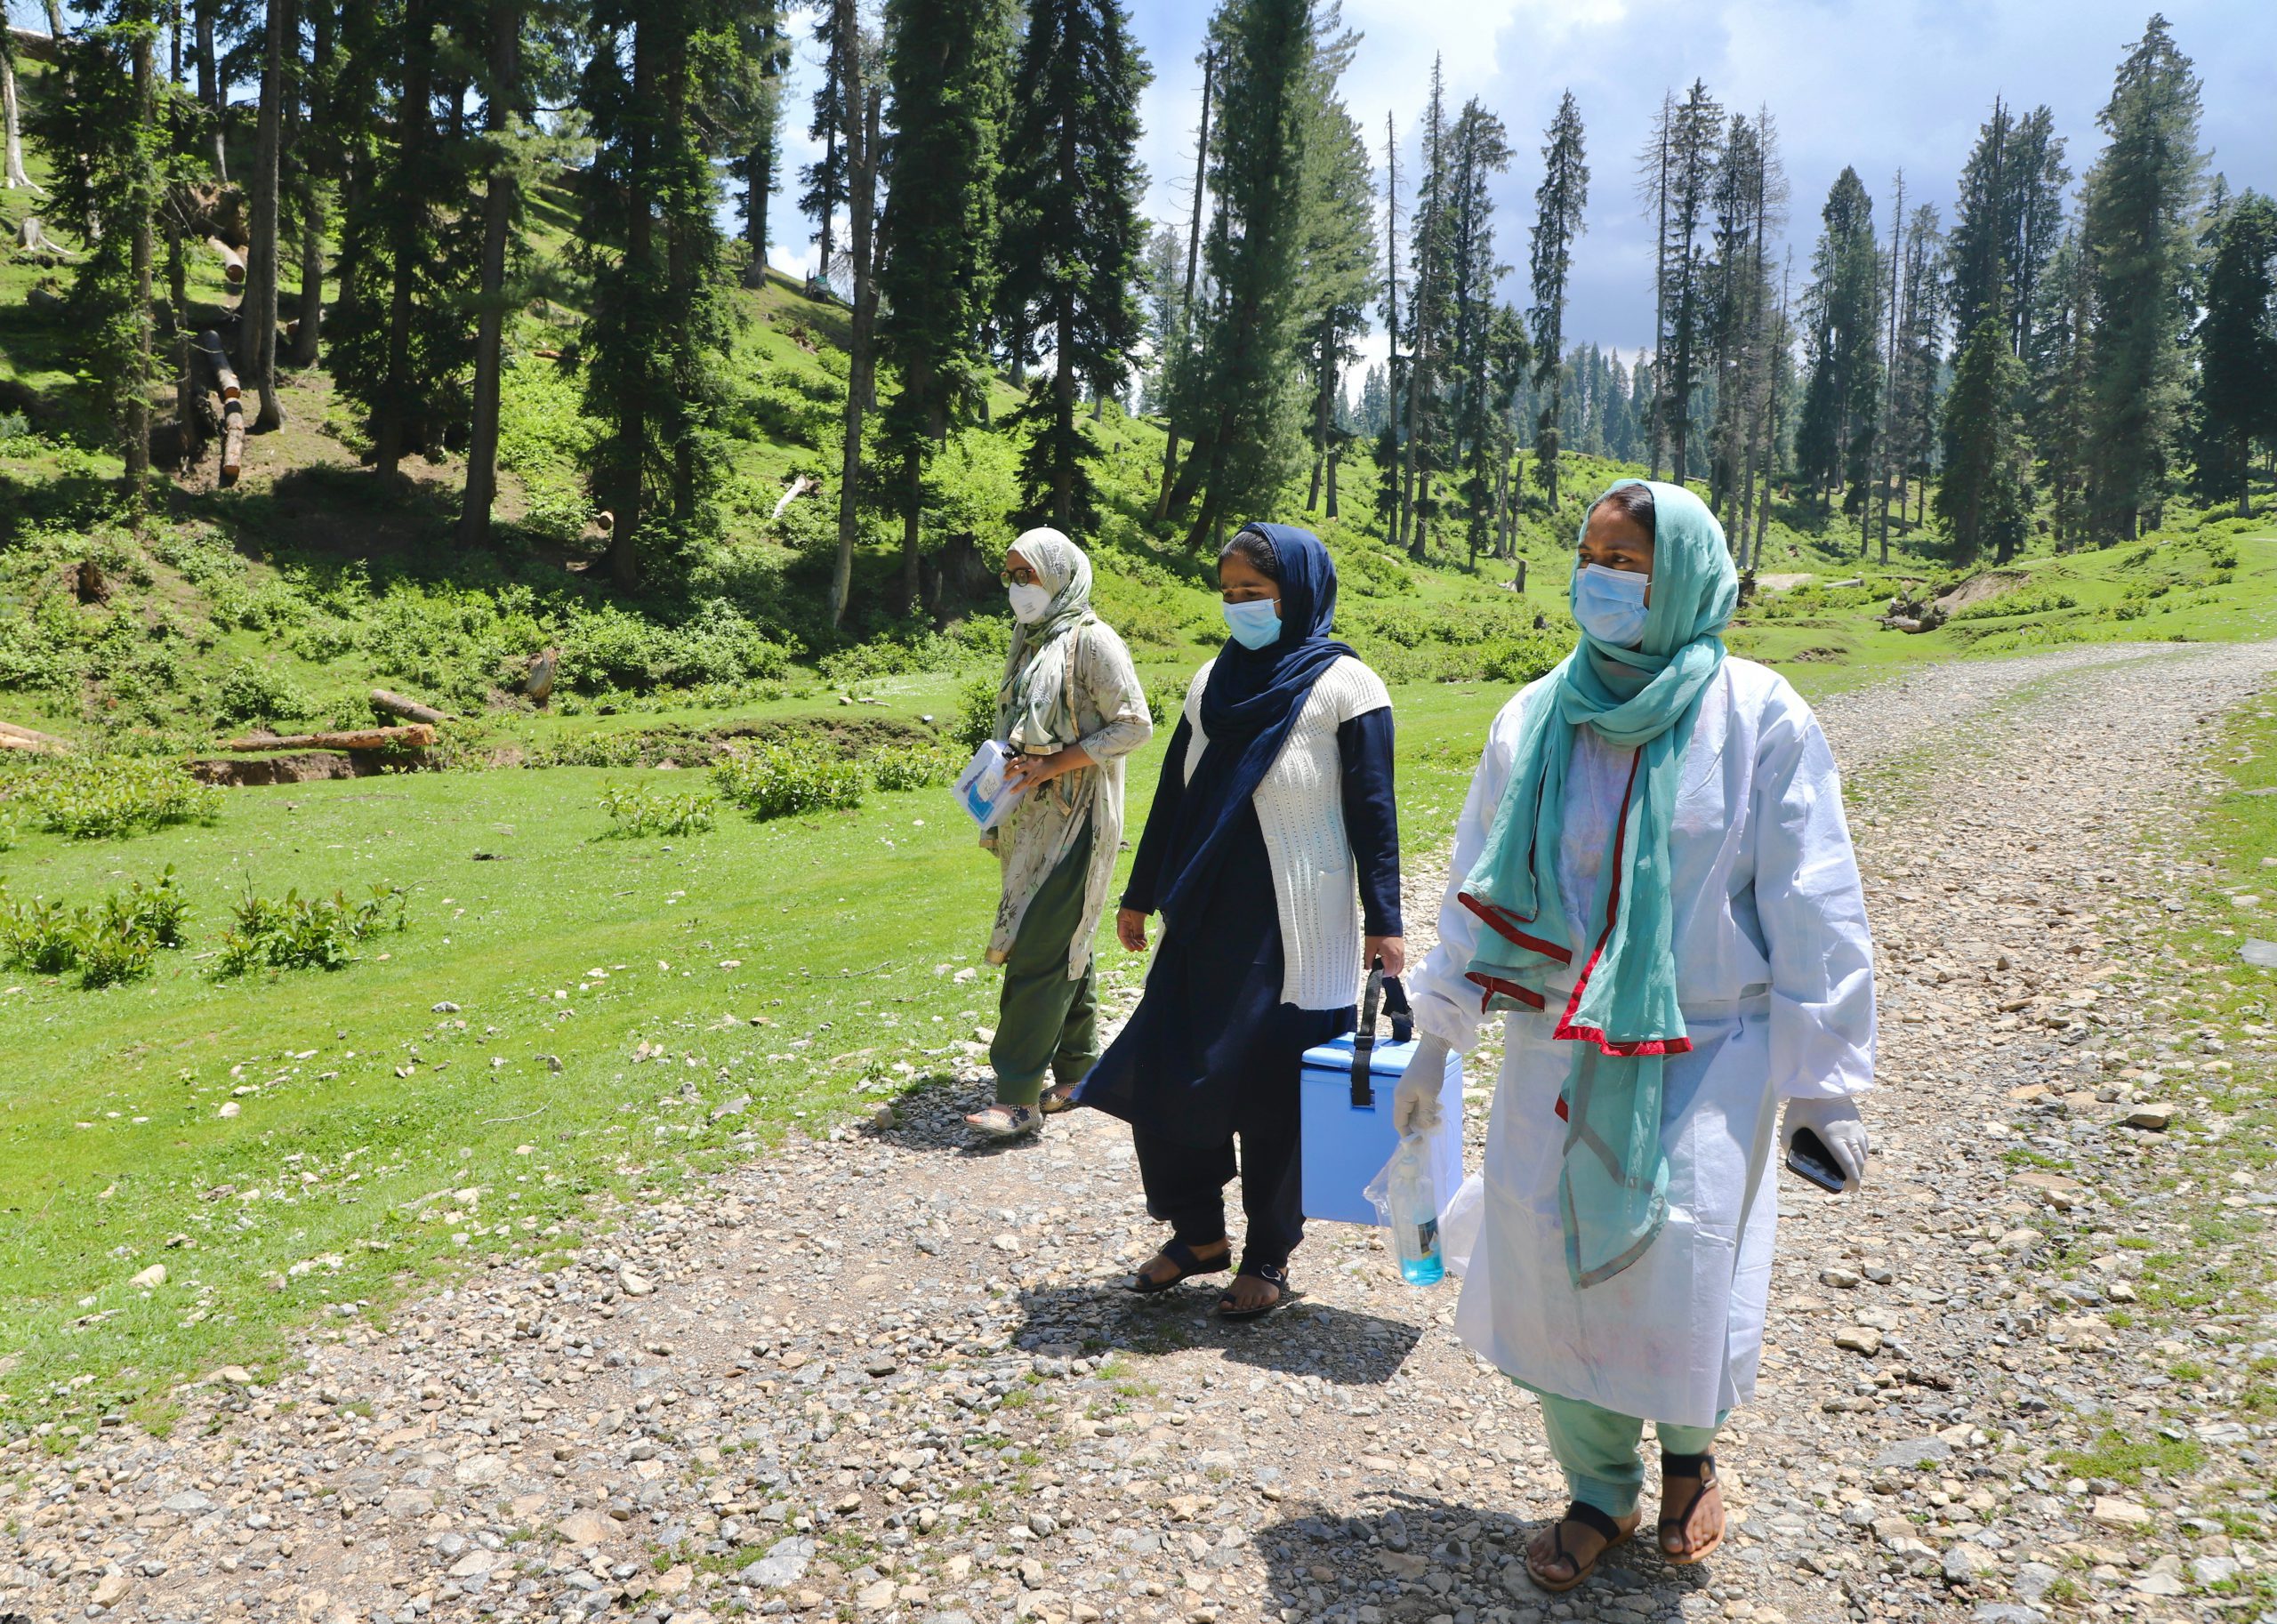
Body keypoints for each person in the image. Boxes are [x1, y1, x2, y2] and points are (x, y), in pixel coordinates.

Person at [1392, 479, 1875, 1591]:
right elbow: (1477, 888)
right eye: (1590, 553)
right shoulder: (1536, 714)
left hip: (1710, 1049)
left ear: (1689, 578)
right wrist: (1435, 1046)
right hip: (1558, 1045)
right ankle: (1596, 1487)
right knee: (1552, 1263)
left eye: (1631, 562)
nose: (1602, 579)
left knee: (1685, 1266)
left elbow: (1812, 901)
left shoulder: (1757, 715)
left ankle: (1690, 1458)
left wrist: (1825, 1086)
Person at [1077, 523, 1402, 1321]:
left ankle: (1266, 1257)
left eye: (1254, 592)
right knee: (1165, 1073)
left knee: (1273, 1096)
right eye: (1228, 594)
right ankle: (1197, 1236)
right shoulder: (1208, 683)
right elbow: (1175, 798)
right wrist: (1139, 893)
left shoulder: (1346, 687)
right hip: (1205, 917)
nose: (1239, 607)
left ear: (1298, 591)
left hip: (1297, 929)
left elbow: (1374, 811)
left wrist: (1383, 920)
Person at [964, 528, 1152, 1140]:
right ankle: (1077, 1071)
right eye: (1011, 577)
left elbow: (1133, 726)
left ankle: (1017, 1096)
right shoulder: (1034, 638)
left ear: (1061, 576)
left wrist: (1053, 763)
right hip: (1029, 816)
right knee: (1063, 934)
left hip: (1076, 817)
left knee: (1038, 944)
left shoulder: (1093, 642)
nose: (1019, 589)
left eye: (1029, 576)